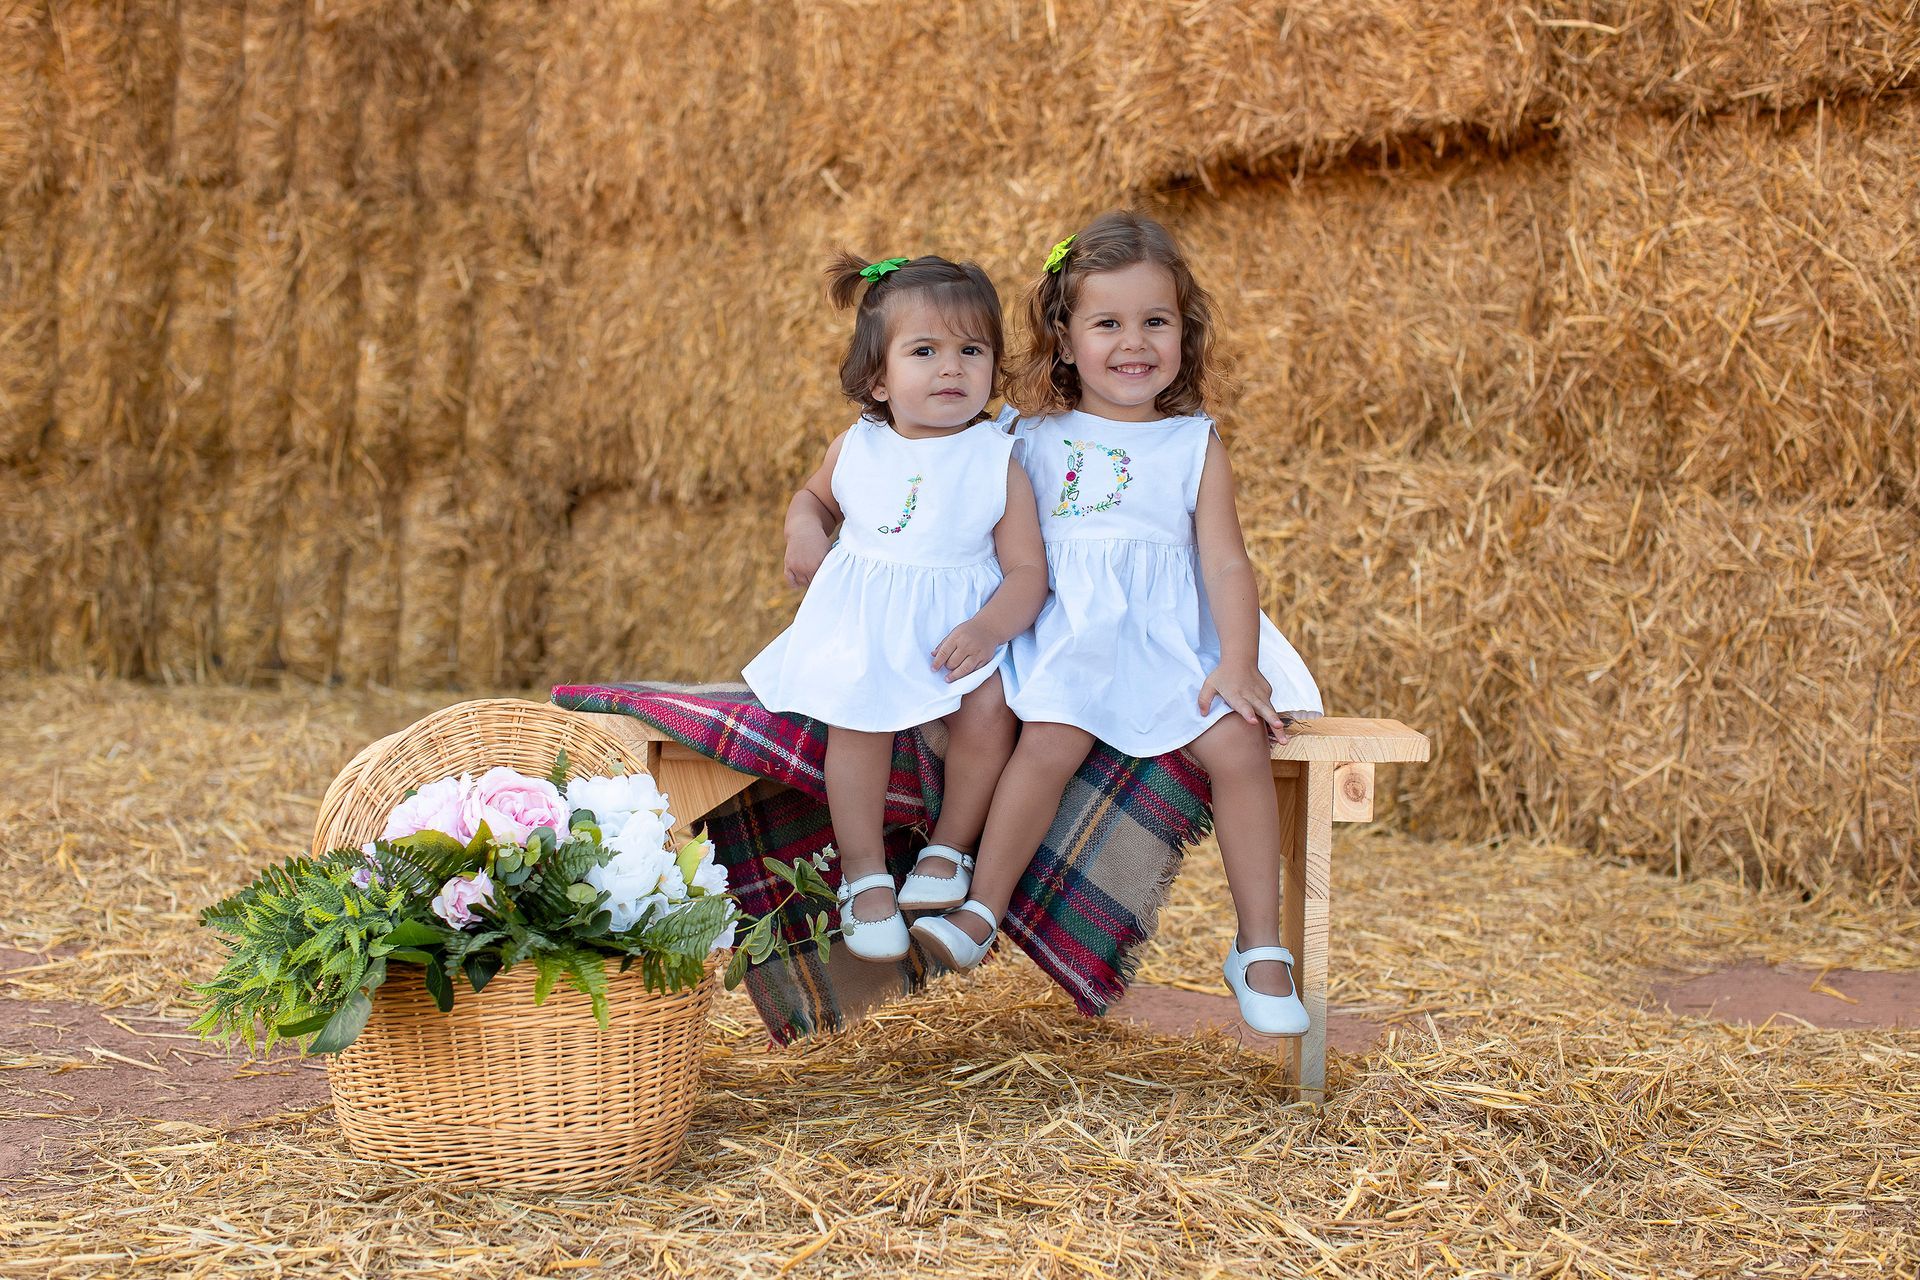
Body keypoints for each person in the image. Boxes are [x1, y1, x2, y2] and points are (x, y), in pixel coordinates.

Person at [909, 213, 1323, 1036]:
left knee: (1238, 743)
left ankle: (1260, 947)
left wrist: (1238, 661)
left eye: (1155, 322)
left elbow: (1227, 565)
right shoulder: (1024, 437)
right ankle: (983, 909)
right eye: (1108, 324)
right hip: (1069, 634)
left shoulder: (1193, 443)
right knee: (1051, 739)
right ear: (1064, 338)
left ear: (1183, 332)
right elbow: (947, 500)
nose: (1134, 343)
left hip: (1171, 639)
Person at [744, 254, 1048, 961]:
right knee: (858, 717)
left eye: (971, 351)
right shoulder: (857, 445)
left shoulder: (997, 457)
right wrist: (803, 531)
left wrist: (989, 628)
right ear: (878, 378)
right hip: (867, 627)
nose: (952, 368)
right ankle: (864, 875)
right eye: (925, 351)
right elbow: (812, 497)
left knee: (989, 710)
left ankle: (949, 848)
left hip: (957, 632)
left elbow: (1028, 570)